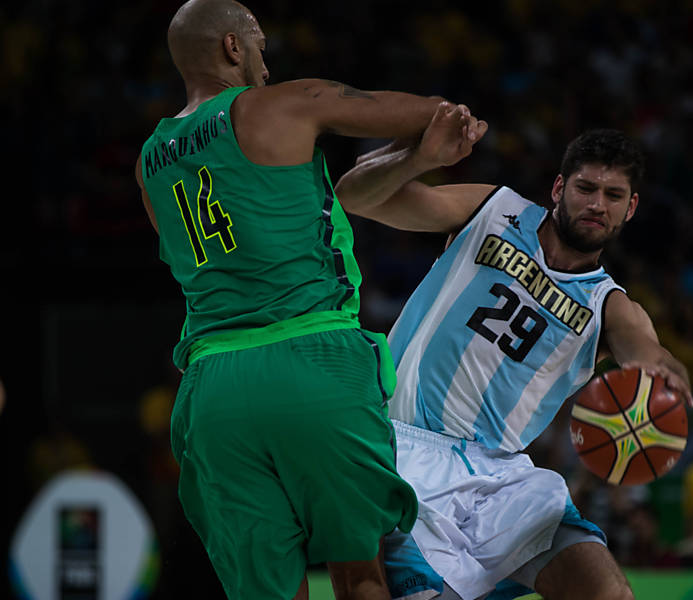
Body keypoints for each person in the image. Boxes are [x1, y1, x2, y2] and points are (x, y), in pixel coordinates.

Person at [133, 1, 486, 598]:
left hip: (213, 385)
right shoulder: (279, 104)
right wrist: (447, 132)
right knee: (361, 575)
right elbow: (420, 112)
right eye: (259, 45)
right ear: (232, 48)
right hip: (312, 359)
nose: (266, 62)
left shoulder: (149, 161)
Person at [335, 128, 692, 600]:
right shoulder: (493, 211)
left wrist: (665, 371)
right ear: (559, 188)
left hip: (503, 475)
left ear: (630, 208)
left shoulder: (611, 307)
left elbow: (647, 352)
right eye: (586, 188)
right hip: (407, 449)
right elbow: (353, 197)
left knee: (609, 593)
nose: (597, 205)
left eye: (613, 195)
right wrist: (418, 158)